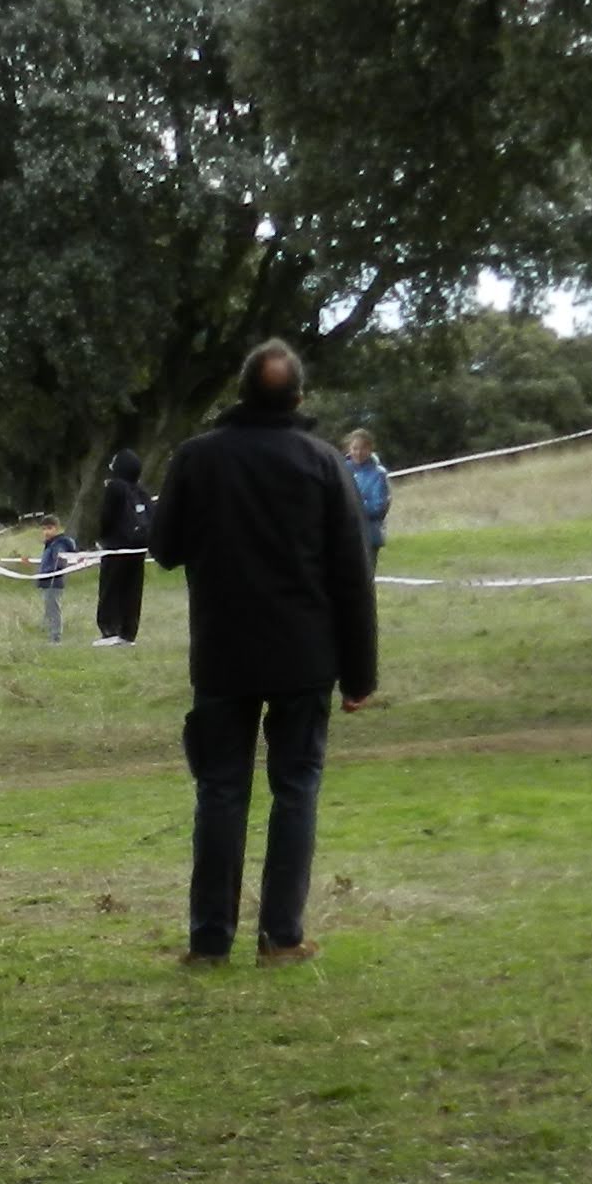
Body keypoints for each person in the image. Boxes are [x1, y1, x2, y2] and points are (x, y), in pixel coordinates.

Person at [144, 341, 378, 968]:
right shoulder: (326, 465)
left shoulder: (197, 459)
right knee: (295, 790)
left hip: (223, 651)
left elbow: (162, 548)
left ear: (240, 392)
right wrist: (359, 674)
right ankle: (281, 936)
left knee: (220, 792)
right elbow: (352, 576)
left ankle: (208, 942)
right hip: (305, 654)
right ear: (299, 398)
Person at [91, 449, 151, 645]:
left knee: (111, 587)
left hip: (116, 546)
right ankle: (128, 632)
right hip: (138, 547)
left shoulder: (115, 487)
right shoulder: (141, 490)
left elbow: (107, 517)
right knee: (133, 590)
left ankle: (109, 630)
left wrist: (102, 536)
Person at [341, 431, 393, 563]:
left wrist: (351, 507)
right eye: (355, 448)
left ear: (370, 449)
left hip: (368, 536)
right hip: (343, 536)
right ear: (349, 449)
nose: (358, 453)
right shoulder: (341, 470)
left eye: (363, 448)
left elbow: (378, 507)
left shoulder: (378, 474)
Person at [34, 517, 75, 641]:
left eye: (50, 528)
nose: (46, 532)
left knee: (54, 610)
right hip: (46, 581)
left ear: (57, 529)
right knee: (49, 609)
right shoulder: (49, 544)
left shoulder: (59, 543)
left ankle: (56, 637)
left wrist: (57, 564)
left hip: (54, 581)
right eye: (44, 529)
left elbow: (60, 558)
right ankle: (48, 633)